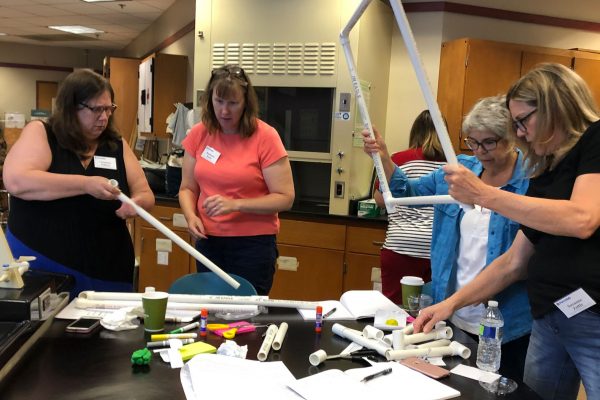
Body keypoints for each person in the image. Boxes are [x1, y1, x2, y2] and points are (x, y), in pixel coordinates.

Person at [414, 63, 600, 400]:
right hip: (549, 315)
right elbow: (514, 261)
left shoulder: (596, 140)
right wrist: (448, 305)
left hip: (592, 317)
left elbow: (583, 219)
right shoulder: (547, 169)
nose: (520, 134)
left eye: (522, 122)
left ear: (554, 105)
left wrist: (484, 194)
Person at [363, 96, 531, 378]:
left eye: (489, 142)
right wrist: (383, 155)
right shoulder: (458, 171)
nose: (480, 151)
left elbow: (518, 261)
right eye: (473, 142)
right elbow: (406, 191)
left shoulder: (531, 181)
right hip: (454, 313)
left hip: (506, 320)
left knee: (500, 387)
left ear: (512, 136)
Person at [3, 68, 154, 297]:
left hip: (107, 267)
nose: (104, 117)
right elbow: (17, 181)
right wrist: (85, 184)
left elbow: (144, 193)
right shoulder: (43, 133)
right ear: (71, 107)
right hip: (45, 261)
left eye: (108, 109)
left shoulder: (115, 144)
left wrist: (137, 204)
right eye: (96, 109)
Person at [179, 64, 294, 295]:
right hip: (208, 241)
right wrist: (191, 217)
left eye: (233, 103)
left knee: (246, 317)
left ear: (246, 103)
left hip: (252, 246)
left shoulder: (266, 136)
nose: (224, 111)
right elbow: (187, 188)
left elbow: (285, 198)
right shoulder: (199, 134)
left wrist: (235, 204)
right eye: (219, 101)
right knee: (210, 312)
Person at [371, 110, 446, 305]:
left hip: (400, 246)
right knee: (432, 314)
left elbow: (380, 199)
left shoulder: (397, 159)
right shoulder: (452, 164)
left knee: (395, 310)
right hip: (435, 250)